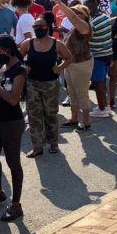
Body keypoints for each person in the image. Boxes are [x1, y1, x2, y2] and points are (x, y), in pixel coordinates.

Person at [0, 35, 27, 222]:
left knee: (12, 161)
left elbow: (12, 99)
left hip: (12, 122)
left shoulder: (20, 70)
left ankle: (16, 204)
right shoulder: (3, 67)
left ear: (8, 50)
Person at [20, 13, 73, 156]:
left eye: (40, 26)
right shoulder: (28, 43)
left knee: (50, 114)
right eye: (35, 27)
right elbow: (18, 58)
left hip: (50, 84)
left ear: (47, 27)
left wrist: (59, 68)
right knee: (34, 116)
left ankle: (54, 144)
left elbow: (69, 58)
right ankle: (37, 147)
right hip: (32, 84)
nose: (37, 29)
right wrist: (24, 67)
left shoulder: (57, 44)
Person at [56, 0, 93, 130]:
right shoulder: (75, 27)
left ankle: (86, 122)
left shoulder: (84, 27)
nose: (75, 15)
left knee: (82, 93)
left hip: (81, 64)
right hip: (71, 64)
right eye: (74, 13)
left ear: (84, 15)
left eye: (78, 13)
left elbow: (71, 16)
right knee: (72, 93)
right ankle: (74, 119)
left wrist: (59, 3)